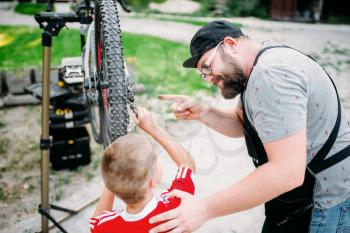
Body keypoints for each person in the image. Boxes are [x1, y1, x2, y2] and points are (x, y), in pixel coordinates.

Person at [148, 20, 350, 233]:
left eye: (207, 66)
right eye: (203, 74)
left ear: (230, 44)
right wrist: (203, 112)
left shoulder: (269, 74)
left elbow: (287, 172)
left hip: (326, 204)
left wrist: (203, 209)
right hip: (303, 200)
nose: (209, 79)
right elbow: (245, 124)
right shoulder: (258, 67)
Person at [89, 107, 195, 232]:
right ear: (154, 180)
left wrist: (114, 176)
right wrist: (154, 129)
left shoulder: (106, 227)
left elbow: (96, 222)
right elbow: (187, 164)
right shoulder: (174, 208)